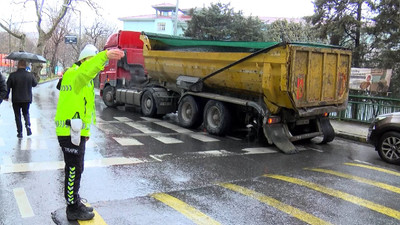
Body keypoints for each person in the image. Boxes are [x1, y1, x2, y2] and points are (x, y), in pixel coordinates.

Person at [54, 44, 124, 221]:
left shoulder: (80, 78)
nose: (95, 67)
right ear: (84, 60)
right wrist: (104, 56)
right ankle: (72, 207)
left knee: (78, 168)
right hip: (69, 131)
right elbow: (87, 71)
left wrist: (85, 131)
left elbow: (84, 108)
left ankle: (75, 201)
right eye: (91, 61)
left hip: (76, 131)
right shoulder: (76, 75)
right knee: (73, 170)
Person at [5, 60, 38, 138]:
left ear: (18, 65)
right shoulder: (30, 75)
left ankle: (20, 132)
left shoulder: (12, 75)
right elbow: (35, 84)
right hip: (27, 98)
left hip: (16, 99)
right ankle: (28, 126)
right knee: (26, 113)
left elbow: (7, 87)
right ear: (25, 65)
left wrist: (6, 96)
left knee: (17, 115)